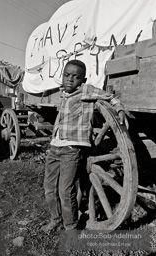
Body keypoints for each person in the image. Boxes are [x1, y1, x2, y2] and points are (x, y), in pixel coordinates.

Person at [41, 59, 127, 232]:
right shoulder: (63, 94)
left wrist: (120, 109)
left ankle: (70, 226)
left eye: (76, 77)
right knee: (49, 188)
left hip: (71, 150)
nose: (70, 80)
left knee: (65, 190)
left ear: (83, 80)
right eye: (67, 75)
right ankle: (55, 218)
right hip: (55, 147)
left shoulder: (86, 91)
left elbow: (110, 97)